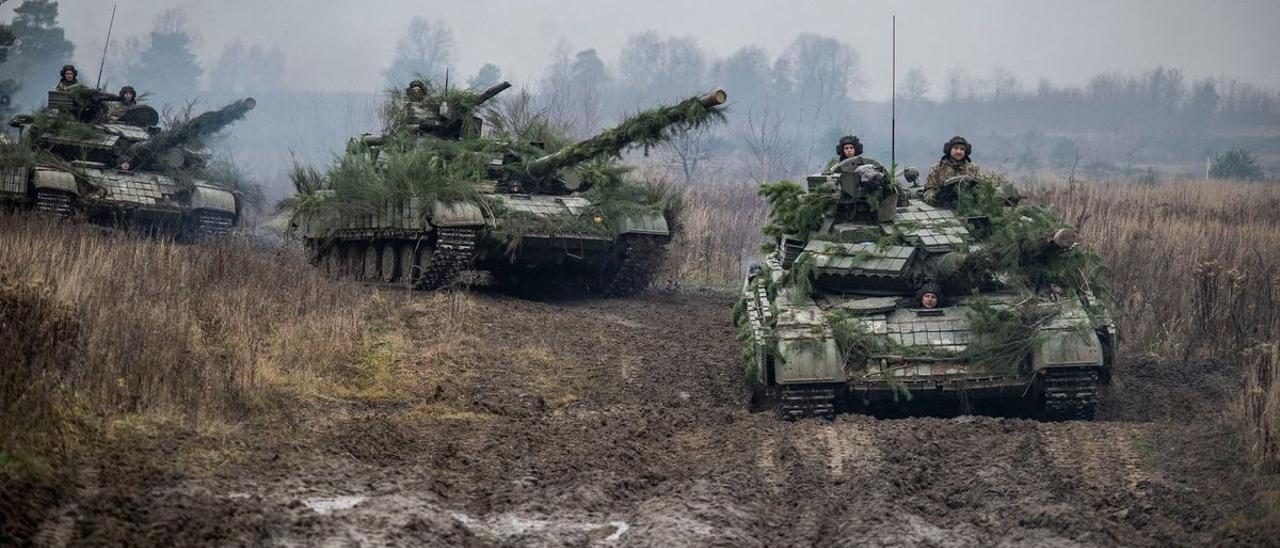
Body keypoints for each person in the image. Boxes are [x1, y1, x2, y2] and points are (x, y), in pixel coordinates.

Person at [924, 135, 982, 205]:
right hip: (943, 207)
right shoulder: (937, 168)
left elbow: (982, 189)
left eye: (962, 149)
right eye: (955, 148)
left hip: (969, 207)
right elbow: (928, 191)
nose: (959, 152)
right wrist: (937, 197)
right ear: (949, 150)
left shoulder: (974, 168)